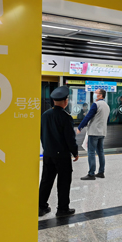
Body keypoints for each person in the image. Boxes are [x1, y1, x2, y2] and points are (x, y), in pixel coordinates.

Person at [39, 86, 79, 218]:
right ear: (66, 101)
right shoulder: (65, 117)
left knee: (46, 180)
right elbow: (70, 138)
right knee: (64, 182)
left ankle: (41, 206)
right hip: (62, 156)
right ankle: (62, 209)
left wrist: (47, 148)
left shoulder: (45, 115)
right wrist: (75, 152)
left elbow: (42, 134)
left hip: (48, 154)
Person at [77, 88, 110, 180]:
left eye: (96, 93)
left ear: (100, 95)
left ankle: (91, 173)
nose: (94, 94)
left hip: (94, 132)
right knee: (101, 152)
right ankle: (101, 172)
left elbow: (88, 116)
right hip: (102, 132)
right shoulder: (107, 106)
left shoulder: (96, 104)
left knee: (91, 152)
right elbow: (108, 119)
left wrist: (80, 126)